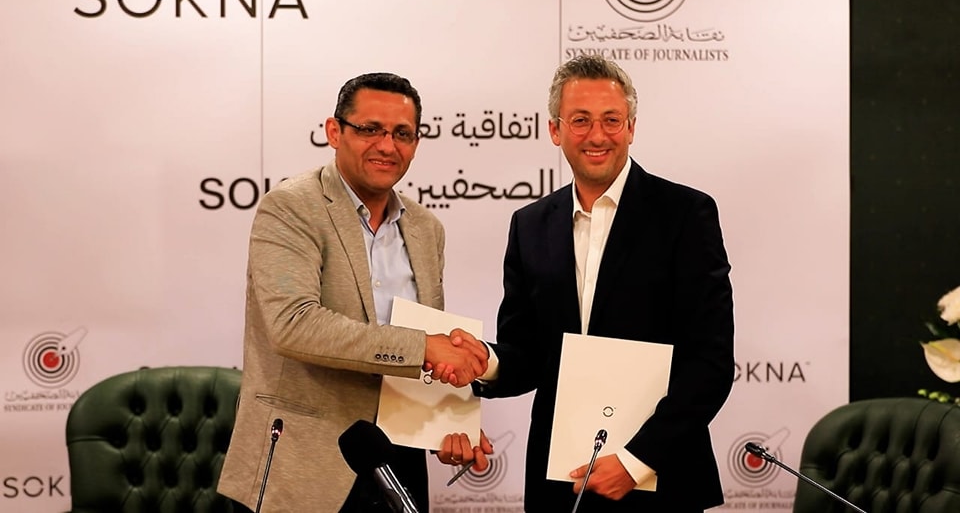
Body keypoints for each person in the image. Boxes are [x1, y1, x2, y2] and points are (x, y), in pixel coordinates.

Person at [445, 54, 735, 512]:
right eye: (580, 120)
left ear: (631, 127)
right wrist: (485, 360)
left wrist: (637, 461)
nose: (597, 135)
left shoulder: (686, 215)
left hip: (660, 480)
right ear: (555, 130)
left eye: (611, 120)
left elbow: (710, 362)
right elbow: (528, 353)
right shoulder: (530, 225)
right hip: (560, 483)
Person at [217, 72, 489, 512]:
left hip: (397, 462)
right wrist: (424, 347)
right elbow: (294, 325)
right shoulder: (290, 208)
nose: (387, 145)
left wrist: (449, 419)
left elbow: (422, 342)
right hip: (303, 463)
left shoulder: (426, 229)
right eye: (370, 129)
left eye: (402, 133)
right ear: (334, 131)